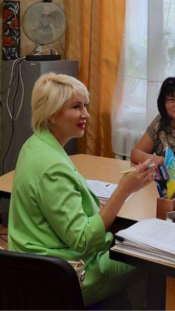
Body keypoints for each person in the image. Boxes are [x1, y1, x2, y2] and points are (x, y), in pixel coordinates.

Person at [8, 73, 155, 307]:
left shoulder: (35, 145)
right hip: (64, 274)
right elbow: (83, 240)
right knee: (151, 263)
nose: (86, 114)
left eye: (85, 106)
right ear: (52, 113)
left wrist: (99, 208)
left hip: (33, 263)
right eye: (76, 107)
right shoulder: (52, 166)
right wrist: (123, 191)